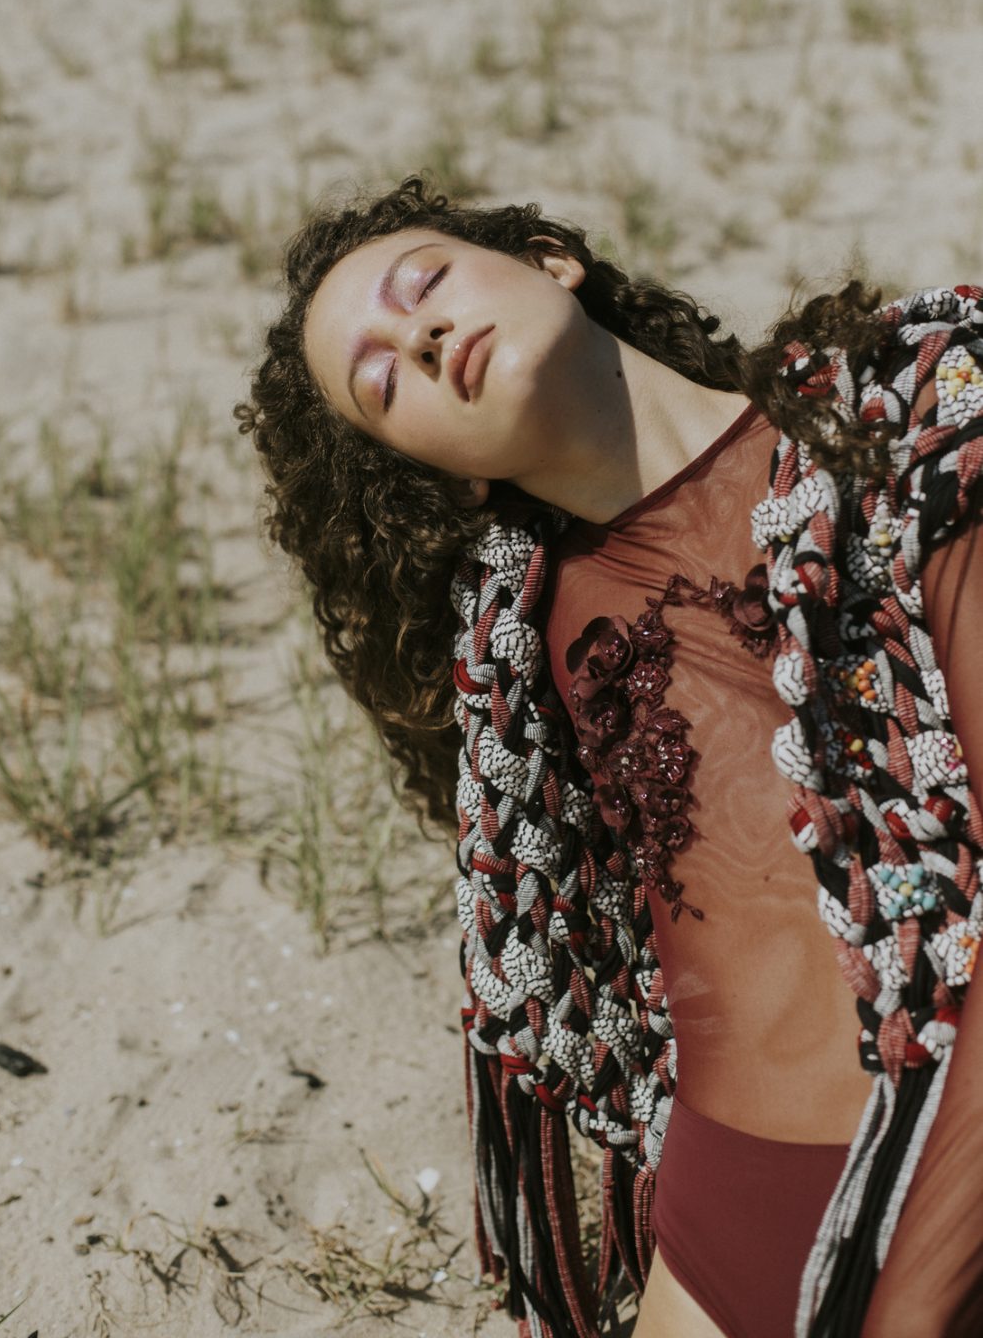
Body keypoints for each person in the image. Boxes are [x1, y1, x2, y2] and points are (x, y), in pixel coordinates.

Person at [236, 176, 983, 1338]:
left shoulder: (903, 415)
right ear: (444, 473)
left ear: (551, 258)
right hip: (726, 1216)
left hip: (945, 1147)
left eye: (424, 285)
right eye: (383, 383)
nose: (420, 340)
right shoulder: (525, 652)